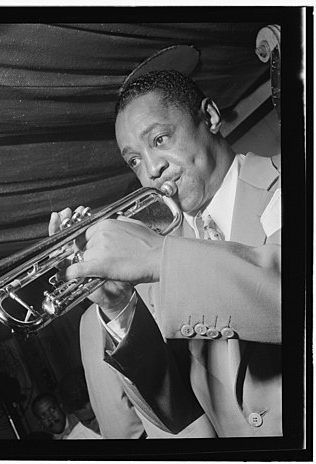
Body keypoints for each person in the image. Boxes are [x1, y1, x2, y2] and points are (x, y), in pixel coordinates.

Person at [49, 70, 281, 437]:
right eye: (134, 161)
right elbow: (175, 414)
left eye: (159, 139)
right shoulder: (161, 269)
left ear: (210, 117)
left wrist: (160, 257)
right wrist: (119, 309)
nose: (152, 170)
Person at [31, 392, 100, 439]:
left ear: (61, 406)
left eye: (52, 409)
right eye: (43, 416)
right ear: (40, 423)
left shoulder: (84, 419)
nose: (50, 417)